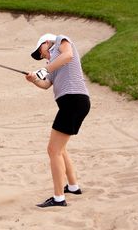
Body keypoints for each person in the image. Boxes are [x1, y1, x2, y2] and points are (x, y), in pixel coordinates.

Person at [25, 33, 91, 208]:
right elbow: (46, 85)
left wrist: (46, 70)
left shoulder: (61, 40)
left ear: (47, 42)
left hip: (73, 101)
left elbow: (68, 55)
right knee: (60, 149)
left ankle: (58, 198)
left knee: (52, 150)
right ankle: (73, 186)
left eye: (41, 52)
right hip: (75, 103)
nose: (42, 56)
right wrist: (34, 80)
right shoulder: (53, 64)